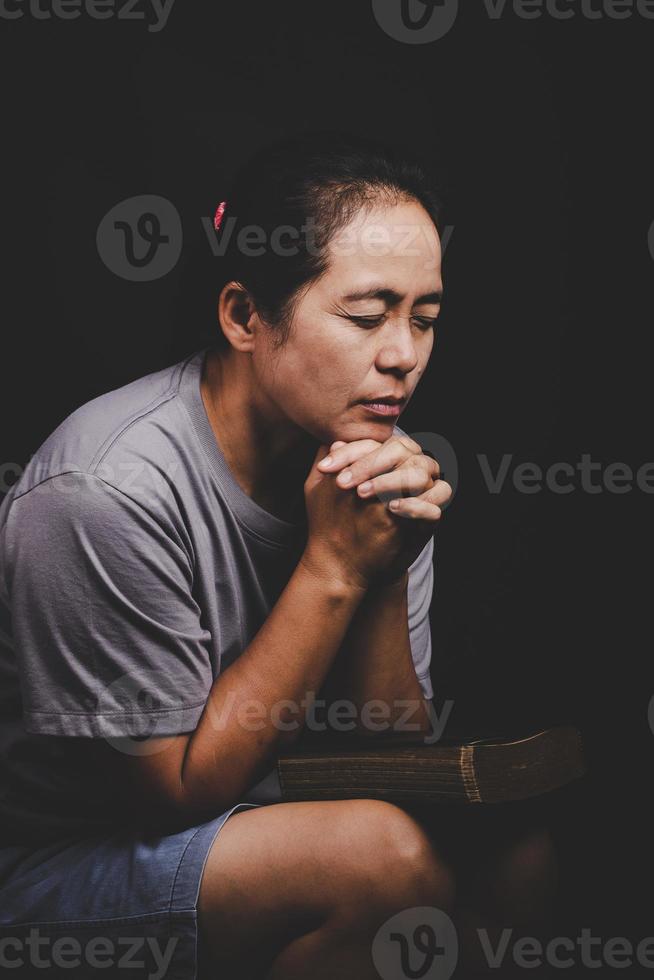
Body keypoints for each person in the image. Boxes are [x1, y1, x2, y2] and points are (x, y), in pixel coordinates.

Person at [0, 131, 556, 979]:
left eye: (426, 319)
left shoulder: (369, 456)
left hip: (261, 816)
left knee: (520, 857)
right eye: (367, 316)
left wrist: (384, 556)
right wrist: (333, 567)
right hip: (58, 865)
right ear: (243, 316)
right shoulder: (103, 490)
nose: (403, 354)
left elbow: (392, 750)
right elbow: (172, 794)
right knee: (380, 862)